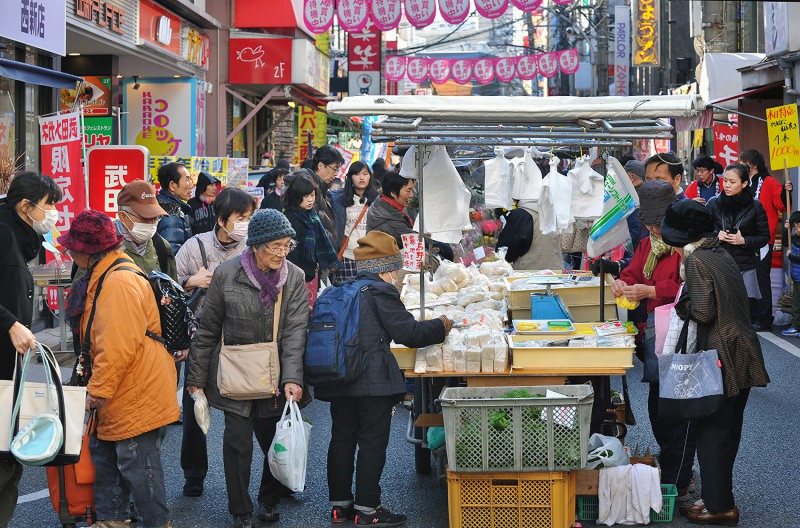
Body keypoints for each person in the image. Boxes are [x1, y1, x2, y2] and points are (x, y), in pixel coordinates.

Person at [318, 231, 453, 527]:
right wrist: (442, 325)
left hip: (338, 377)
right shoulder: (381, 291)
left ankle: (340, 506)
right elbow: (409, 334)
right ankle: (368, 508)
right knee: (371, 442)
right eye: (395, 267)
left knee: (342, 439)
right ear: (386, 268)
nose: (397, 273)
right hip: (370, 381)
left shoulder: (342, 289)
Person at [187, 209, 309, 528]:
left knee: (276, 442)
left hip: (275, 375)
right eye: (275, 246)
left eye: (286, 246)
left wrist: (293, 377)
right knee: (237, 444)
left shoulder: (293, 276)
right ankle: (240, 510)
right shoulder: (227, 273)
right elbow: (208, 328)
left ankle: (268, 499)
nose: (281, 253)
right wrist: (196, 379)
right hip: (234, 372)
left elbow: (296, 330)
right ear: (255, 246)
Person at [60, 210, 178, 528]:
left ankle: (157, 523)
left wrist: (96, 391)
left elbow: (116, 349)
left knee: (140, 468)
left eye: (73, 247)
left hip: (136, 388)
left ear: (89, 251)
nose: (69, 252)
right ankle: (112, 521)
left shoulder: (117, 283)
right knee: (109, 458)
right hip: (128, 385)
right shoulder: (107, 274)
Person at [660, 199, 770, 526]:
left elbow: (704, 312)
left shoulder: (696, 260)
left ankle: (721, 508)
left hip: (720, 354)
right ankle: (716, 499)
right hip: (743, 349)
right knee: (727, 431)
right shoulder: (720, 253)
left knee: (712, 432)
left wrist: (683, 306)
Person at [611, 181, 694, 504]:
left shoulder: (685, 247)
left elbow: (688, 288)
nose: (652, 230)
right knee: (658, 399)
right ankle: (672, 462)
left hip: (682, 331)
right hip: (652, 331)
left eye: (657, 225)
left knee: (676, 404)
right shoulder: (648, 244)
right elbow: (632, 273)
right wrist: (622, 283)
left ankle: (678, 475)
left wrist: (650, 291)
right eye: (648, 224)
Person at [175, 187, 256, 498]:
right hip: (202, 337)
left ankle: (266, 480)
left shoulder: (251, 248)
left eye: (249, 217)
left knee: (244, 406)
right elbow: (169, 288)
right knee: (196, 402)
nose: (246, 224)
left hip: (240, 338)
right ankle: (193, 473)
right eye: (241, 218)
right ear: (222, 220)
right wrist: (190, 282)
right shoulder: (194, 246)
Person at [0, 172, 61, 523]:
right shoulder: (3, 235)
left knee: (11, 456)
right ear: (26, 207)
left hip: (12, 368)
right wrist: (9, 322)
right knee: (5, 459)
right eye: (49, 204)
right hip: (2, 370)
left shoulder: (18, 238)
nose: (53, 212)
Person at [705, 164, 770, 327]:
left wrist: (744, 241)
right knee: (720, 314)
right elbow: (700, 231)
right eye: (725, 180)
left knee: (744, 315)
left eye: (732, 182)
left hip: (745, 265)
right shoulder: (713, 203)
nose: (726, 185)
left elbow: (764, 237)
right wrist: (716, 236)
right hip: (718, 263)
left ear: (744, 183)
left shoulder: (755, 206)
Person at [740, 149, 789, 331]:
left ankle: (764, 318)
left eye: (745, 162)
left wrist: (786, 190)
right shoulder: (744, 182)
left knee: (761, 280)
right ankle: (751, 316)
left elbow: (782, 205)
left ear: (754, 164)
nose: (743, 165)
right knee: (746, 280)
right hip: (743, 239)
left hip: (762, 240)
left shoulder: (769, 182)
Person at [283, 173, 339, 306]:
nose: (310, 200)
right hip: (292, 278)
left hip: (312, 275)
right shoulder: (288, 218)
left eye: (312, 195)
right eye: (306, 196)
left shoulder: (312, 216)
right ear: (296, 196)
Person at [116, 180, 177, 279]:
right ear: (123, 216)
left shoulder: (162, 246)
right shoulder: (103, 248)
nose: (152, 224)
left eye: (155, 217)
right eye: (145, 218)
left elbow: (173, 288)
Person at [331, 161, 379, 283]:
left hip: (370, 256)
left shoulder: (377, 201)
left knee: (367, 294)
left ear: (370, 177)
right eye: (357, 174)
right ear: (350, 177)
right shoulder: (339, 200)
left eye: (365, 173)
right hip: (347, 255)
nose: (361, 177)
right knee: (346, 294)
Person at [495, 199, 562, 271]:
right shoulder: (553, 212)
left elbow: (506, 252)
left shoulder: (522, 214)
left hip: (530, 274)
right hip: (556, 272)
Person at [366, 171, 416, 248]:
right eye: (408, 190)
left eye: (412, 190)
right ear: (393, 193)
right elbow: (413, 239)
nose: (412, 195)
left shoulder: (381, 202)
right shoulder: (390, 218)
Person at [156, 162, 194, 254]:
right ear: (173, 185)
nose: (191, 185)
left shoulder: (165, 205)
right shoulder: (172, 213)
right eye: (187, 179)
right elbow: (172, 254)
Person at [311, 145, 345, 244]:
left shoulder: (323, 190)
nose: (336, 174)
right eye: (334, 169)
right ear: (320, 166)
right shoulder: (308, 188)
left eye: (338, 170)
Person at [783, 211, 800, 337]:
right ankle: (796, 326)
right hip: (797, 277)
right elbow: (785, 242)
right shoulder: (796, 238)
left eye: (799, 226)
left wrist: (791, 256)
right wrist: (786, 230)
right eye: (795, 227)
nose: (797, 229)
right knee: (796, 304)